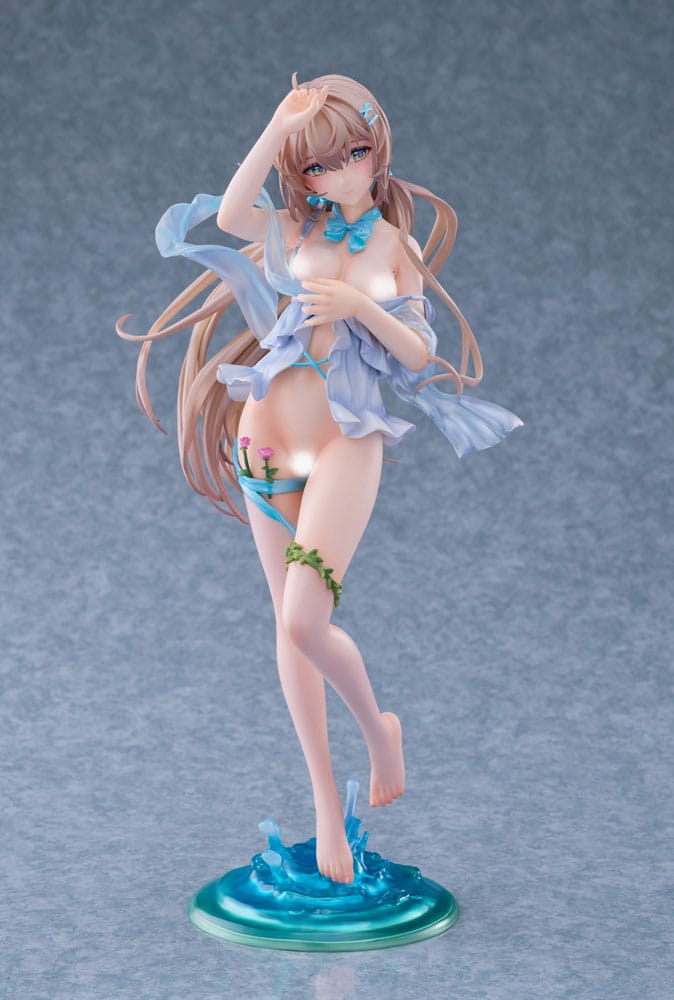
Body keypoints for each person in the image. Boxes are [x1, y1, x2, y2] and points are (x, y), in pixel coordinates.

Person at [117, 73, 522, 885]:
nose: (334, 174)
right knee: (287, 629)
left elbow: (419, 352)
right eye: (314, 165)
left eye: (351, 155)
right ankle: (325, 807)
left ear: (377, 151)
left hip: (346, 439)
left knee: (306, 620)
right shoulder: (295, 226)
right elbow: (232, 215)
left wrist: (360, 307)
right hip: (265, 433)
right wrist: (278, 125)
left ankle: (379, 730)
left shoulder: (394, 246)